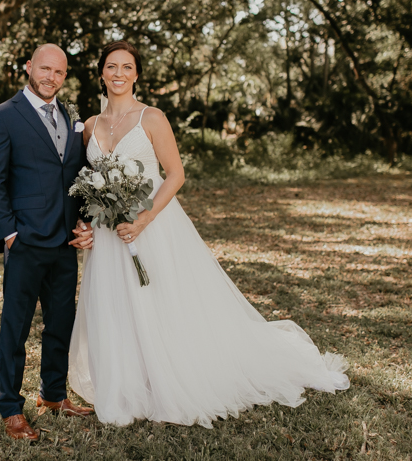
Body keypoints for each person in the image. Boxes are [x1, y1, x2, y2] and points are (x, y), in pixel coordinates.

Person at [68, 41, 350, 428]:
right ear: (101, 72)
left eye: (127, 67)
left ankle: (172, 374)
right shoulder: (90, 126)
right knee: (116, 303)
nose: (119, 74)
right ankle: (127, 381)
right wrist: (88, 220)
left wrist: (144, 219)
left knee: (160, 301)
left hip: (152, 227)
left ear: (137, 74)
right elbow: (83, 183)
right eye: (112, 67)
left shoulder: (152, 117)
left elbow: (176, 174)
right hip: (108, 233)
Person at [0, 44, 94, 441]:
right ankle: (11, 408)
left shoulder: (71, 117)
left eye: (59, 72)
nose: (51, 77)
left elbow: (77, 176)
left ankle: (53, 394)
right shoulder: (2, 117)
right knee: (16, 327)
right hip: (25, 242)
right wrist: (9, 233)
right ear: (29, 67)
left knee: (61, 323)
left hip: (65, 243)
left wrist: (84, 222)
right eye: (45, 69)